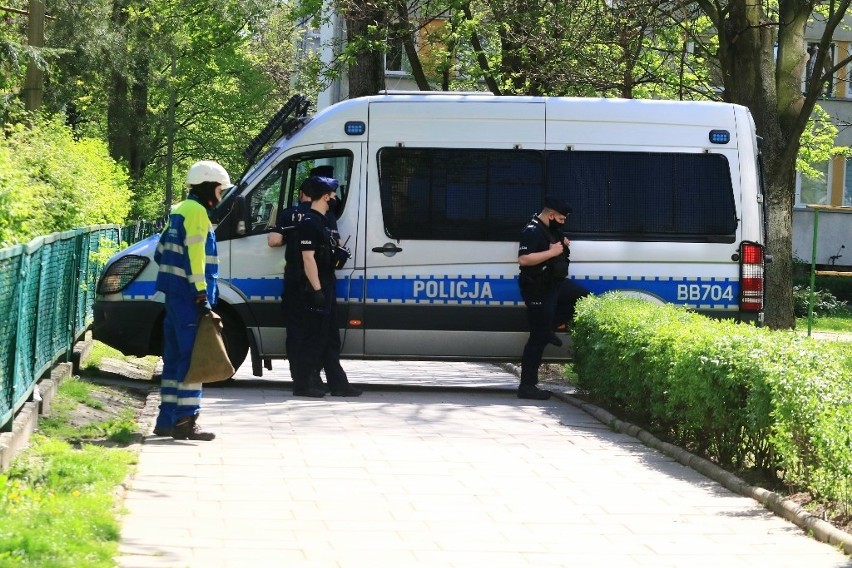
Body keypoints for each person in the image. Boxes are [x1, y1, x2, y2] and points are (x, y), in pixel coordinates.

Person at [152, 160, 232, 440]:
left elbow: (161, 252)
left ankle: (165, 420)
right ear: (210, 187)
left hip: (174, 297)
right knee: (194, 359)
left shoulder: (179, 210)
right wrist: (201, 294)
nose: (220, 197)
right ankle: (186, 421)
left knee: (173, 359)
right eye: (220, 191)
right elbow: (195, 257)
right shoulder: (197, 213)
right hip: (191, 298)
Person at [285, 175, 361, 397]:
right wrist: (317, 290)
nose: (335, 199)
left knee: (329, 337)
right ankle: (304, 384)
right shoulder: (309, 222)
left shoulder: (324, 221)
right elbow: (308, 259)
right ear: (325, 196)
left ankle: (338, 383)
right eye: (333, 196)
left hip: (326, 283)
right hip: (313, 288)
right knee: (314, 337)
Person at [516, 196, 589, 400]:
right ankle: (527, 386)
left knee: (583, 297)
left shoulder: (549, 228)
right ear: (550, 215)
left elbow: (557, 247)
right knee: (537, 339)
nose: (563, 222)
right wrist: (551, 252)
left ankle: (550, 326)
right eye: (561, 218)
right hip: (538, 288)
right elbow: (524, 259)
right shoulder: (532, 230)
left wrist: (562, 244)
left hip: (554, 284)